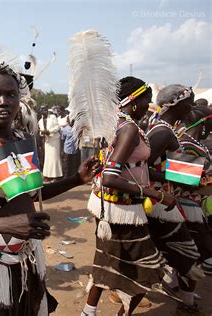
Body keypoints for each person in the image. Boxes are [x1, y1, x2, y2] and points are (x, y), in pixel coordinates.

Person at [0, 61, 96, 315]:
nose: (3, 101)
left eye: (10, 94)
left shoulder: (25, 140)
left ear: (19, 99)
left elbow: (32, 194)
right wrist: (7, 224)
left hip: (27, 257)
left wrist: (76, 180)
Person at [83, 77, 177, 316]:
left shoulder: (116, 122)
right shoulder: (129, 128)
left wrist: (168, 177)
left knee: (107, 259)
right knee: (149, 268)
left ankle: (88, 312)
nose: (149, 105)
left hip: (112, 205)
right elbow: (110, 176)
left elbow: (131, 166)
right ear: (134, 101)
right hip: (122, 208)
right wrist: (156, 194)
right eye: (146, 100)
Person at [146, 84, 204, 313]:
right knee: (188, 251)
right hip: (162, 202)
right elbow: (137, 167)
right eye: (188, 102)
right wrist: (176, 178)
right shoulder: (163, 131)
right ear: (176, 104)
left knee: (183, 251)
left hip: (168, 199)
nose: (191, 106)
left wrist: (189, 175)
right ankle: (187, 303)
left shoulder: (166, 128)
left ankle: (185, 298)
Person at [177, 106, 212, 276]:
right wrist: (204, 182)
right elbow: (182, 180)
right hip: (186, 206)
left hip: (192, 204)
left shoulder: (190, 141)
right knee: (197, 253)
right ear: (203, 123)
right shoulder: (186, 144)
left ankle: (185, 295)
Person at [39, 107, 62, 181]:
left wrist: (49, 131)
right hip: (47, 141)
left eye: (46, 109)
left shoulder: (53, 117)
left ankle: (55, 176)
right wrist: (42, 133)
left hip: (54, 139)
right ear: (41, 111)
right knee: (47, 158)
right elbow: (40, 131)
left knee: (54, 158)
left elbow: (58, 127)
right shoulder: (40, 121)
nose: (45, 111)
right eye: (43, 110)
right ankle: (47, 175)